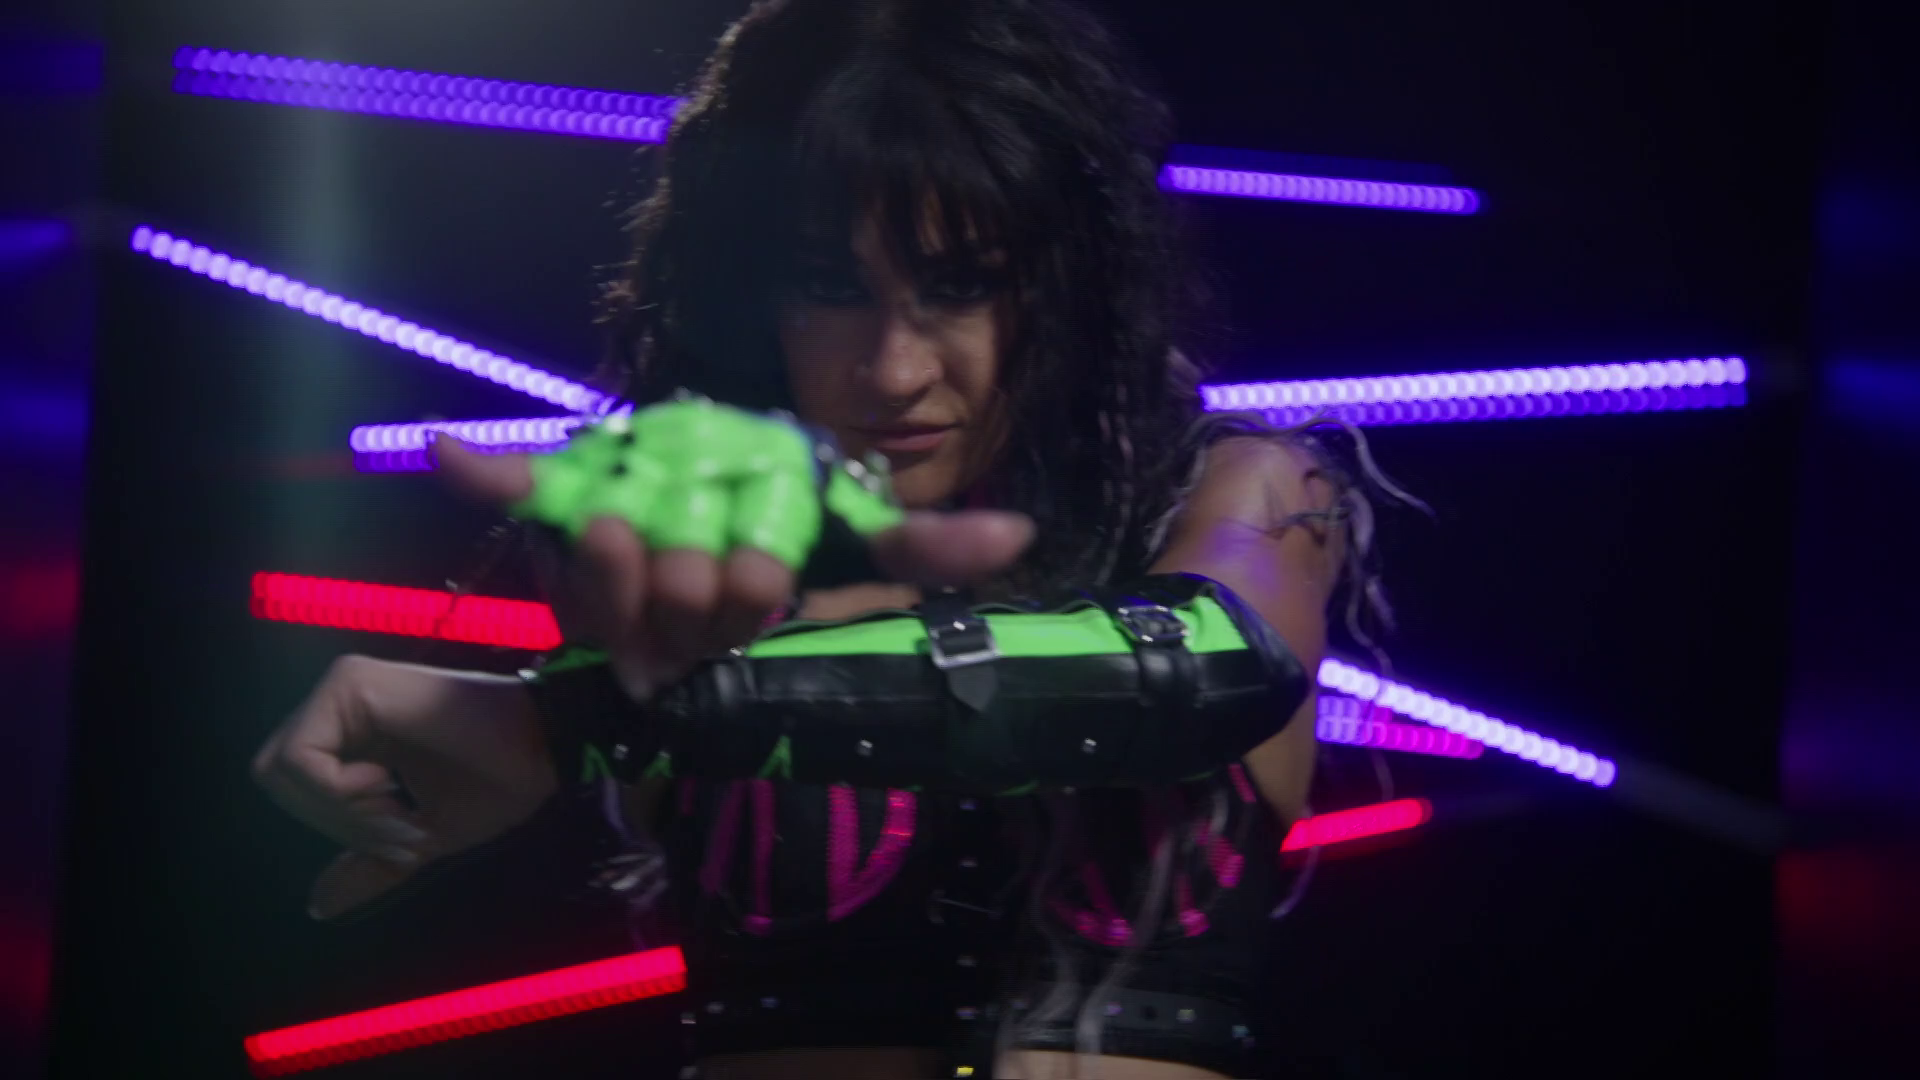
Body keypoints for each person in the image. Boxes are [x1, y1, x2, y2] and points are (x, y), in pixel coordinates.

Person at [252, 1, 1399, 1076]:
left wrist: (564, 725)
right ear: (746, 296)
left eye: (963, 285)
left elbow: (1198, 666)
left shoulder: (1244, 490)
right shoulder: (668, 535)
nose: (893, 370)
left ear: (1073, 279)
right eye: (827, 287)